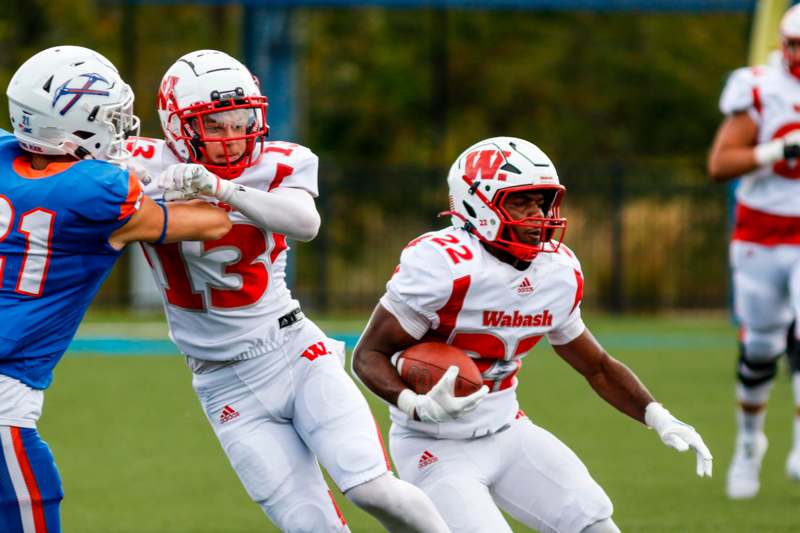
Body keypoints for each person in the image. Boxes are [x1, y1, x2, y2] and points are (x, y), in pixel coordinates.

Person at [132, 49, 449, 533]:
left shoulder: (282, 161)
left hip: (294, 353)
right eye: (214, 126)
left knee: (373, 489)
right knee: (309, 527)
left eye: (241, 121)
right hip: (220, 381)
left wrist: (218, 188)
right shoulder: (145, 162)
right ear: (178, 128)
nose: (232, 137)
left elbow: (306, 223)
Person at [352, 136, 713, 533]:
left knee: (597, 524)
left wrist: (659, 417)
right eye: (520, 201)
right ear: (477, 203)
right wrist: (414, 404)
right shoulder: (443, 267)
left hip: (509, 430)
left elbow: (597, 367)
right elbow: (368, 355)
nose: (537, 214)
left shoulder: (557, 271)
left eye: (541, 202)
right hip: (435, 444)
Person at [0, 46, 231, 533]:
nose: (121, 126)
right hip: (5, 388)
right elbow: (211, 224)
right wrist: (193, 184)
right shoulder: (97, 190)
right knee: (33, 512)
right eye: (110, 116)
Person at [707, 4, 800, 500]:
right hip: (761, 233)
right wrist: (779, 151)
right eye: (794, 44)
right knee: (761, 346)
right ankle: (750, 442)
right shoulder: (760, 86)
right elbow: (721, 163)